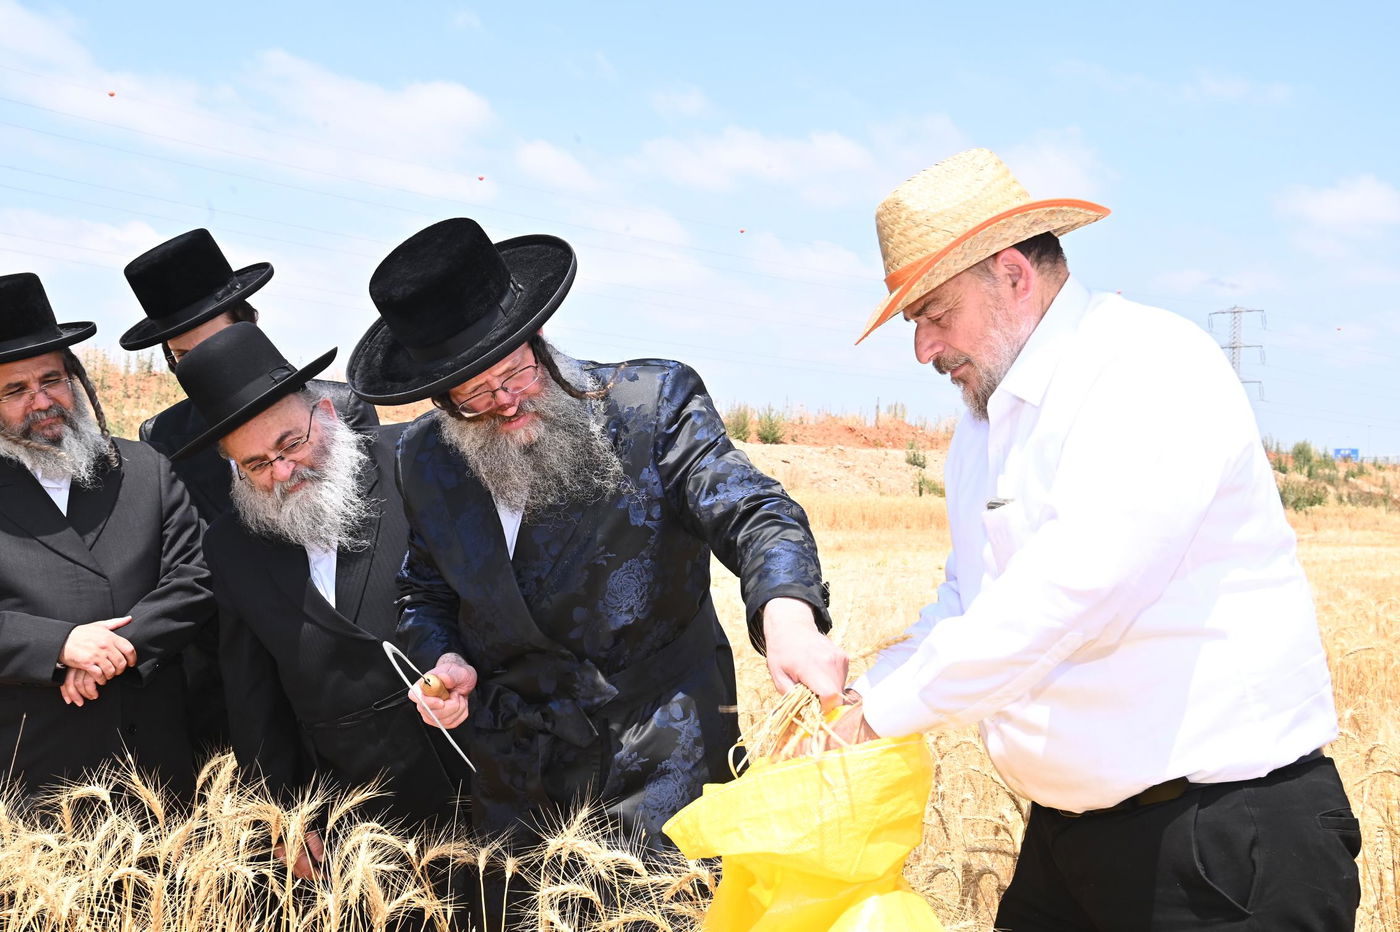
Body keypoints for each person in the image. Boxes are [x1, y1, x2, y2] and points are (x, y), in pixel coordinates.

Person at [837, 148, 1359, 930]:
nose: (924, 350)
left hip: (1221, 852)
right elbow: (970, 598)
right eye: (916, 323)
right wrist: (854, 700)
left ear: (1013, 275)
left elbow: (1075, 594)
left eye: (936, 314)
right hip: (1067, 845)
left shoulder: (1148, 367)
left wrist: (882, 716)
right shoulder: (983, 427)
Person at [345, 218, 846, 849]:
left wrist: (787, 613)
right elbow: (425, 591)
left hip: (663, 750)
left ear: (540, 336)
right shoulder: (423, 457)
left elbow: (753, 510)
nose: (502, 402)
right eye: (472, 395)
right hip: (517, 774)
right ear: (441, 399)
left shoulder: (651, 402)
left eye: (516, 374)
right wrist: (442, 660)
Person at [170, 322, 464, 876]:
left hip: (478, 768)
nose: (282, 471)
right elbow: (252, 693)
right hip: (361, 812)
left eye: (291, 444)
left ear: (325, 414)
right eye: (255, 465)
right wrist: (282, 816)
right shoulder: (231, 544)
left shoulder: (415, 461)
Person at [119, 228, 380, 750]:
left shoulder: (341, 407)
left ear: (248, 324)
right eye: (179, 356)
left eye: (209, 345)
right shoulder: (164, 437)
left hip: (345, 651)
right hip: (235, 656)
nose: (193, 367)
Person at [0, 272, 213, 799]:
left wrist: (120, 647)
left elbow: (199, 576)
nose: (41, 401)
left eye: (51, 380)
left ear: (74, 379)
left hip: (156, 776)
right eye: (15, 390)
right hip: (31, 778)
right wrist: (60, 645)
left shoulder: (144, 468)